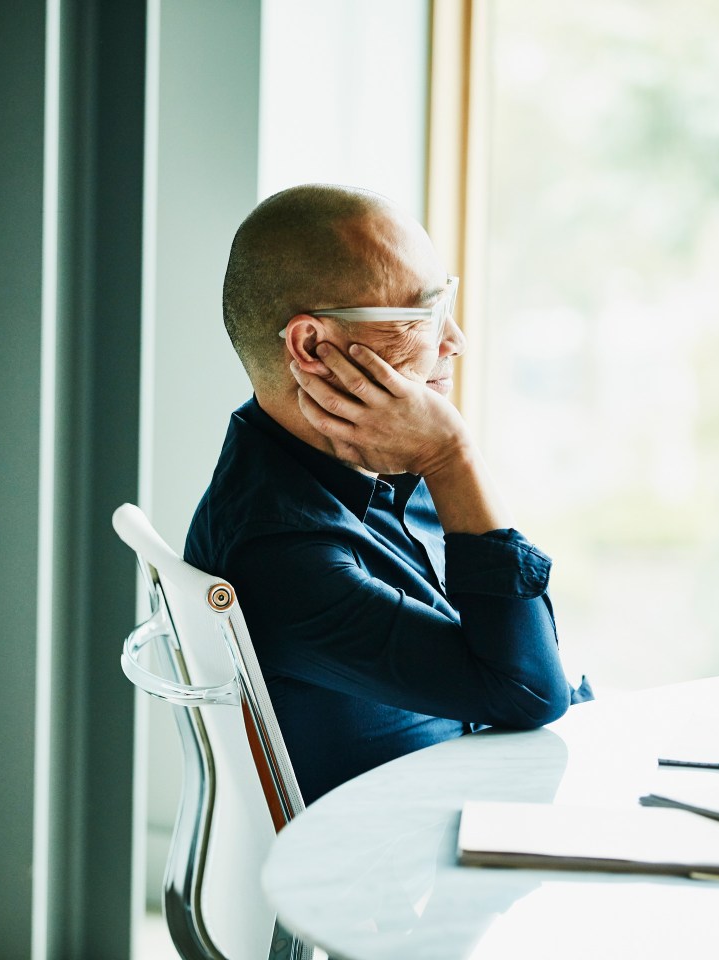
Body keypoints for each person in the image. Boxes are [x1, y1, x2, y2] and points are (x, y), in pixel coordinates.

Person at [185, 183, 591, 801]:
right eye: (422, 314)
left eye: (444, 300)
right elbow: (530, 691)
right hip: (414, 858)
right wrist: (451, 456)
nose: (454, 339)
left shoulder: (360, 456)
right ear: (313, 347)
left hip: (486, 789)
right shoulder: (282, 551)